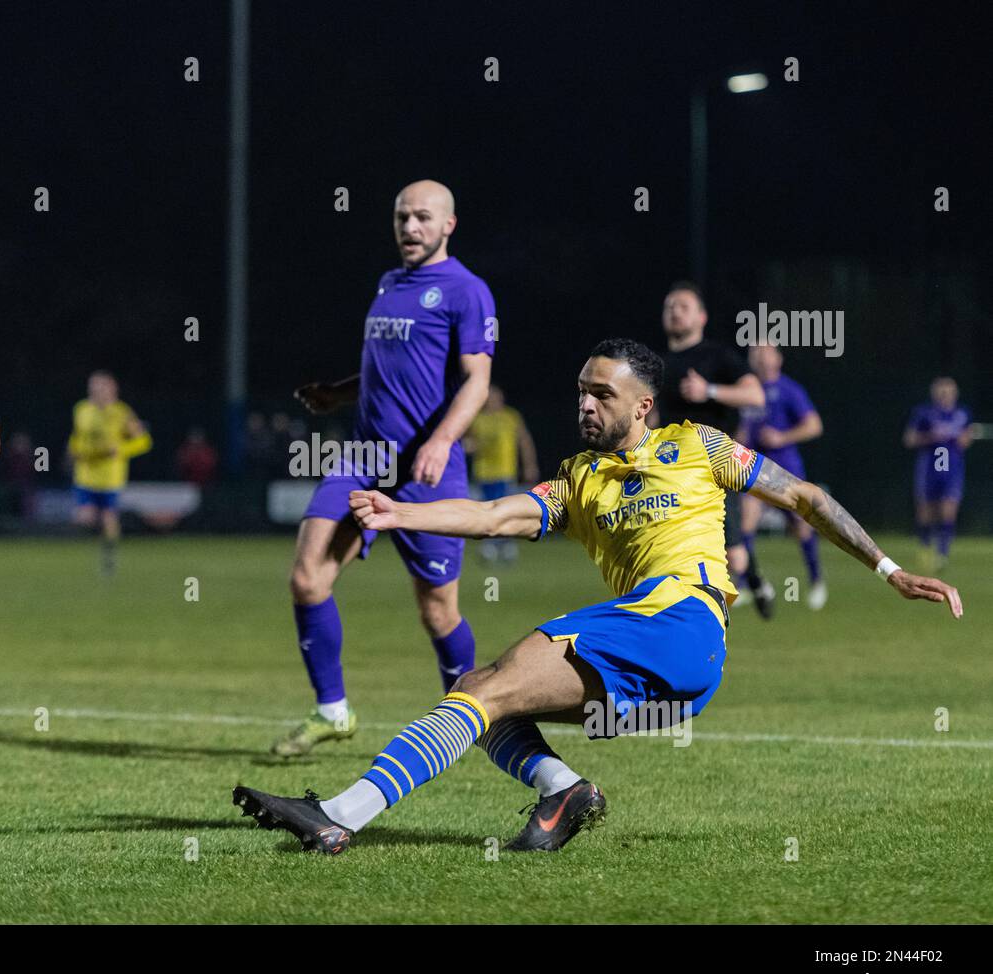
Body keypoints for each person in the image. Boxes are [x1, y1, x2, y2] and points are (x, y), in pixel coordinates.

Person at [233, 339, 961, 854]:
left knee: (482, 692)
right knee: (481, 695)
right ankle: (565, 791)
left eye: (600, 393)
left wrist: (887, 568)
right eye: (581, 389)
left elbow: (804, 494)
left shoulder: (699, 447)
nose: (584, 401)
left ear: (643, 405)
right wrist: (402, 513)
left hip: (679, 624)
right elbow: (497, 516)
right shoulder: (581, 476)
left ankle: (337, 816)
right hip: (672, 679)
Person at [273, 179, 495, 757]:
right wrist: (339, 394)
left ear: (448, 224)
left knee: (437, 609)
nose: (409, 227)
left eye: (422, 217)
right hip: (364, 459)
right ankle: (333, 711)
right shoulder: (389, 283)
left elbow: (476, 379)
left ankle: (469, 714)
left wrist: (443, 440)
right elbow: (389, 371)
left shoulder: (466, 292)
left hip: (426, 471)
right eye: (401, 217)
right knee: (307, 577)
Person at [654, 281, 772, 617]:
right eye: (669, 306)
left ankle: (752, 578)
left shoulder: (717, 356)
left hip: (715, 465)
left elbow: (755, 396)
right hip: (671, 469)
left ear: (701, 317)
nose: (675, 311)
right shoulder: (657, 364)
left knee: (733, 555)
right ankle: (689, 615)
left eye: (683, 306)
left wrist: (710, 390)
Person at [737, 342, 827, 609]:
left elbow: (814, 425)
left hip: (785, 472)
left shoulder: (789, 390)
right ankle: (745, 585)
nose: (760, 357)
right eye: (755, 352)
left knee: (801, 526)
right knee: (744, 526)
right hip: (753, 470)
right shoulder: (746, 389)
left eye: (765, 351)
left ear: (778, 358)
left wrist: (782, 437)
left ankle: (816, 581)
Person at [67, 370, 151, 575]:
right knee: (84, 517)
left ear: (112, 389)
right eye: (92, 387)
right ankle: (81, 557)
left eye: (100, 387)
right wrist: (74, 449)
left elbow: (144, 441)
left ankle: (108, 558)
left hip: (110, 477)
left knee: (108, 519)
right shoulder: (82, 409)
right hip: (85, 474)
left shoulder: (122, 413)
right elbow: (77, 437)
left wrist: (122, 450)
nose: (95, 391)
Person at [904, 377, 974, 571]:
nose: (945, 395)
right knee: (926, 512)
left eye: (948, 391)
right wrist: (930, 437)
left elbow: (966, 440)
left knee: (948, 510)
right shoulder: (924, 413)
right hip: (929, 468)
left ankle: (942, 554)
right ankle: (925, 549)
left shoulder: (962, 413)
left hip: (952, 469)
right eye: (941, 392)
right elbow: (909, 439)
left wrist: (964, 437)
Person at [465, 385, 539, 562]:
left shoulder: (510, 417)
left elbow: (524, 441)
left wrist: (530, 465)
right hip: (483, 473)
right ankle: (495, 545)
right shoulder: (477, 418)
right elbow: (468, 442)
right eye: (489, 398)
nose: (492, 401)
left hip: (504, 472)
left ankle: (501, 546)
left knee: (504, 510)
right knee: (486, 510)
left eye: (495, 397)